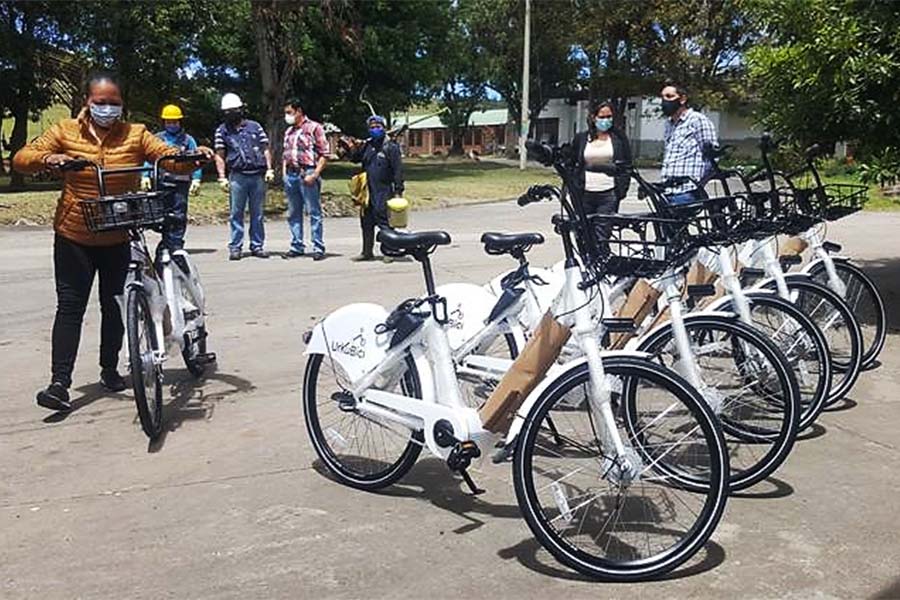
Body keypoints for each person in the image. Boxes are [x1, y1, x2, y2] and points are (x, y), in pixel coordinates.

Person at [12, 72, 211, 412]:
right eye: (100, 102)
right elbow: (22, 158)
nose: (107, 108)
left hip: (118, 233)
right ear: (87, 103)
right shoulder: (65, 131)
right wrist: (50, 159)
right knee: (70, 307)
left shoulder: (136, 134)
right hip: (74, 234)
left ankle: (110, 369)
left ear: (122, 105)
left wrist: (191, 157)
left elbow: (164, 154)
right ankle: (59, 383)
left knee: (115, 305)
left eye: (114, 103)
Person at [214, 93, 275, 261]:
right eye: (227, 112)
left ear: (241, 110)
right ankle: (235, 246)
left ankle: (257, 245)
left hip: (257, 175)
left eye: (233, 110)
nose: (230, 114)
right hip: (237, 176)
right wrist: (221, 177)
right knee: (236, 213)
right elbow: (219, 154)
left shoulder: (255, 127)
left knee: (258, 213)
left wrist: (269, 169)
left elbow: (265, 149)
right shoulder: (222, 131)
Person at [341, 115, 404, 261]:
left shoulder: (391, 147)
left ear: (384, 128)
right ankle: (367, 252)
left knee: (385, 222)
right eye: (372, 127)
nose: (375, 129)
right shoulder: (367, 146)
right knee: (366, 221)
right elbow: (355, 158)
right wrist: (350, 147)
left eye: (378, 126)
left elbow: (398, 170)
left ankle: (389, 251)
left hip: (384, 190)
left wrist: (398, 191)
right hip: (367, 190)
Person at [141, 104, 202, 251]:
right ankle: (166, 242)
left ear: (180, 122)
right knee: (161, 214)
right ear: (164, 122)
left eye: (174, 122)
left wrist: (196, 179)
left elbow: (197, 159)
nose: (172, 124)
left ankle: (176, 243)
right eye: (169, 122)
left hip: (180, 182)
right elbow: (148, 158)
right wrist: (145, 175)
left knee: (179, 214)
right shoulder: (157, 139)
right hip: (161, 181)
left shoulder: (188, 140)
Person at [281, 100, 330, 261]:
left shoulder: (314, 128)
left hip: (307, 172)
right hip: (291, 174)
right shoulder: (289, 131)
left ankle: (318, 247)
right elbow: (285, 154)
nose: (287, 116)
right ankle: (297, 245)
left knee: (313, 211)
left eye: (290, 112)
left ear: (299, 111)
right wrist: (284, 174)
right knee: (294, 212)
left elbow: (324, 153)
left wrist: (315, 174)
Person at [659, 83, 718, 205]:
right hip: (667, 191)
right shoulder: (669, 125)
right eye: (663, 97)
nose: (665, 101)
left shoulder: (697, 120)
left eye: (669, 96)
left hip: (687, 192)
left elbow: (713, 157)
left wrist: (698, 183)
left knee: (675, 224)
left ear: (682, 99)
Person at [572, 101, 632, 216]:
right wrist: (574, 187)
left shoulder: (619, 138)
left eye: (609, 117)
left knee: (603, 231)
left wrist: (621, 191)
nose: (606, 120)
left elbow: (626, 165)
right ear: (594, 118)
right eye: (602, 117)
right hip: (584, 193)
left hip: (609, 193)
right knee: (584, 231)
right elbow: (572, 163)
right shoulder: (581, 138)